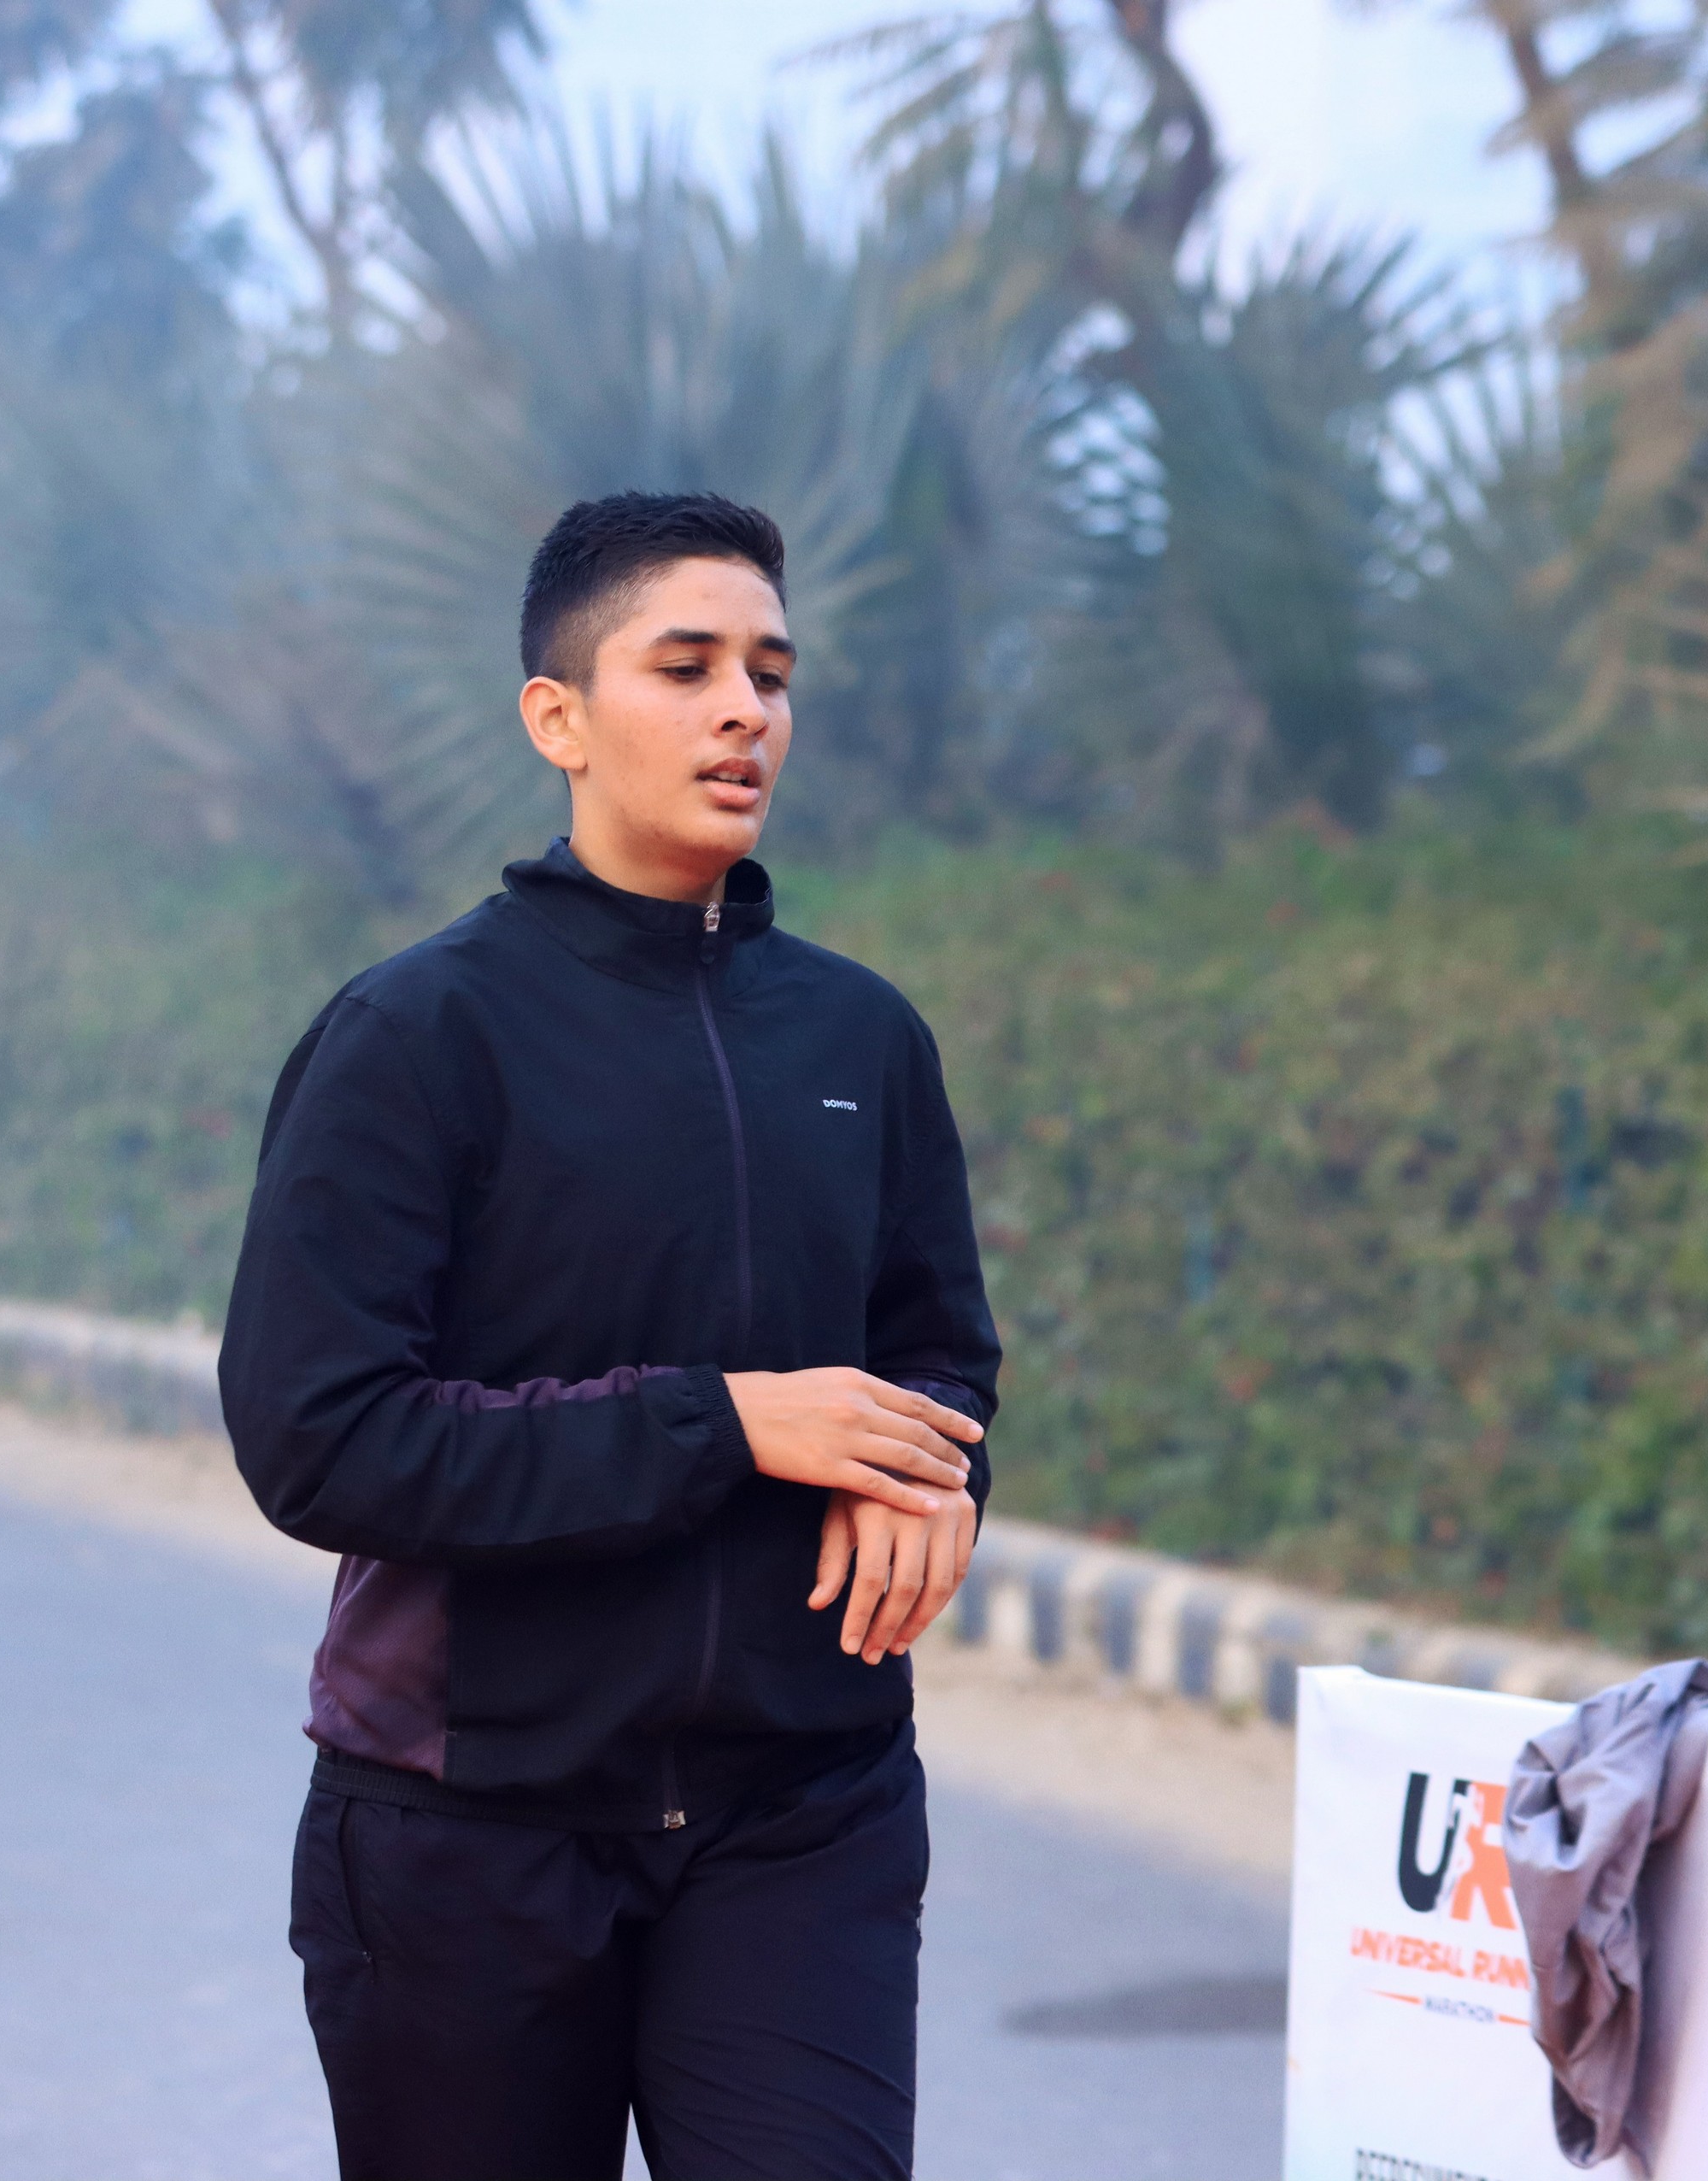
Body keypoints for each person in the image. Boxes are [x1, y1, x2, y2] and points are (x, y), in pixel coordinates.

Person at [220, 491, 1003, 2181]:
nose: (745, 711)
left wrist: (933, 1471)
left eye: (771, 674)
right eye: (687, 666)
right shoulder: (417, 1034)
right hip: (468, 1823)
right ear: (557, 718)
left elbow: (938, 1352)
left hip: (805, 1803)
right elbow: (319, 1437)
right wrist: (719, 1423)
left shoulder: (861, 1036)